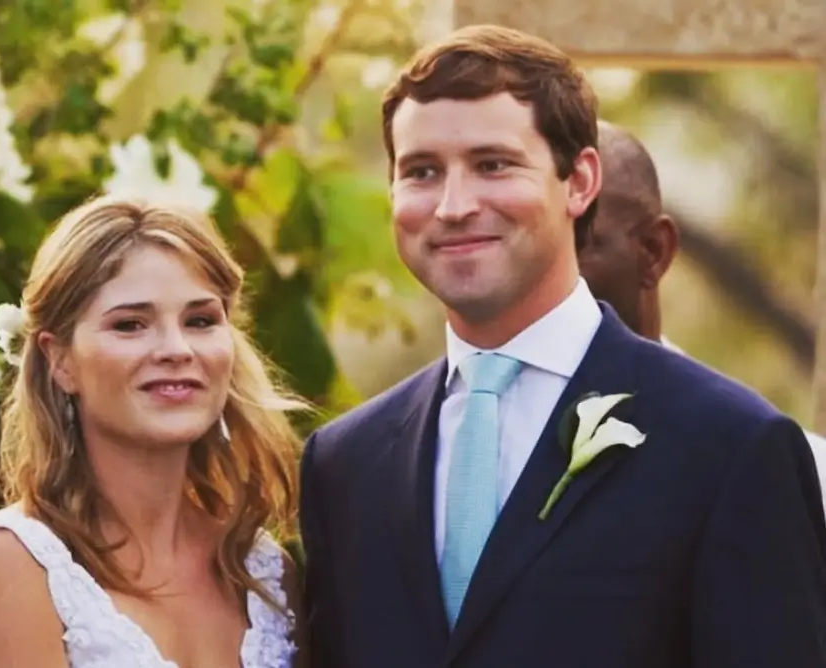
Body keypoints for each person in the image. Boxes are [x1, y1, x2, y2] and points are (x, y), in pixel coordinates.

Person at [299, 24, 826, 668]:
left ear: (579, 182)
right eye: (422, 172)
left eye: (493, 165)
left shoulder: (733, 447)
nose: (453, 206)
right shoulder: (342, 465)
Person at [0, 195, 307, 668]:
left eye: (200, 320)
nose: (177, 349)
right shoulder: (16, 562)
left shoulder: (265, 573)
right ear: (60, 360)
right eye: (130, 325)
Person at [578, 118, 826, 514]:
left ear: (654, 251)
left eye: (579, 244)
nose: (545, 276)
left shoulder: (783, 470)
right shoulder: (477, 446)